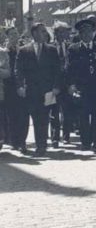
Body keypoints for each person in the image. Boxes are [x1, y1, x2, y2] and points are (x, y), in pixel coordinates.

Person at [15, 23, 62, 156]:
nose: (45, 34)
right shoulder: (24, 50)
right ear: (34, 33)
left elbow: (57, 70)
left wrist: (56, 86)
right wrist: (20, 86)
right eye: (42, 31)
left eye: (45, 32)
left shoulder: (52, 50)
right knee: (25, 119)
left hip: (46, 91)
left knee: (42, 119)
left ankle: (41, 146)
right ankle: (22, 143)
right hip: (28, 91)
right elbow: (18, 70)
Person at [67, 19, 96, 150]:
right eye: (83, 33)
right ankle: (85, 142)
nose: (86, 35)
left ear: (93, 33)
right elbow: (70, 69)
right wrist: (72, 85)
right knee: (83, 116)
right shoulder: (74, 49)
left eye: (88, 32)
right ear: (79, 35)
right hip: (82, 88)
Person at [4, 27, 29, 152]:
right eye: (12, 34)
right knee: (12, 115)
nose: (15, 36)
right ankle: (14, 141)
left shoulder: (23, 50)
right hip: (8, 87)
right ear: (7, 36)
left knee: (24, 114)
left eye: (16, 33)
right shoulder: (4, 51)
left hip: (21, 85)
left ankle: (22, 141)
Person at [50, 21, 74, 146]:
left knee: (67, 111)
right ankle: (55, 137)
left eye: (64, 32)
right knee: (54, 112)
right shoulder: (50, 47)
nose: (62, 34)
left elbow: (73, 67)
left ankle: (66, 136)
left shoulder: (70, 46)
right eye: (59, 32)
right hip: (54, 84)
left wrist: (72, 84)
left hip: (66, 84)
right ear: (55, 33)